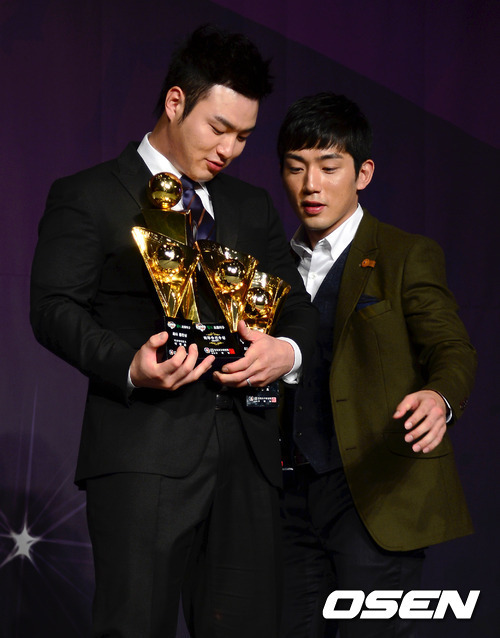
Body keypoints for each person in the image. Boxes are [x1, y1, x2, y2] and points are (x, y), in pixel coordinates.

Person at [30, 26, 317, 638]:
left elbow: (297, 305)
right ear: (175, 102)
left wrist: (284, 351)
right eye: (219, 128)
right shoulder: (89, 195)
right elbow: (53, 308)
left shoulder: (251, 206)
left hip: (248, 458)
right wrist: (129, 365)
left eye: (244, 137)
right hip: (143, 454)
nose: (230, 149)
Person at [277, 92, 477, 638]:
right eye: (296, 167)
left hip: (374, 492)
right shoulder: (268, 264)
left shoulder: (404, 253)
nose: (311, 185)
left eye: (328, 167)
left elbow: (452, 348)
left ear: (362, 173)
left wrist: (440, 398)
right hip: (286, 501)